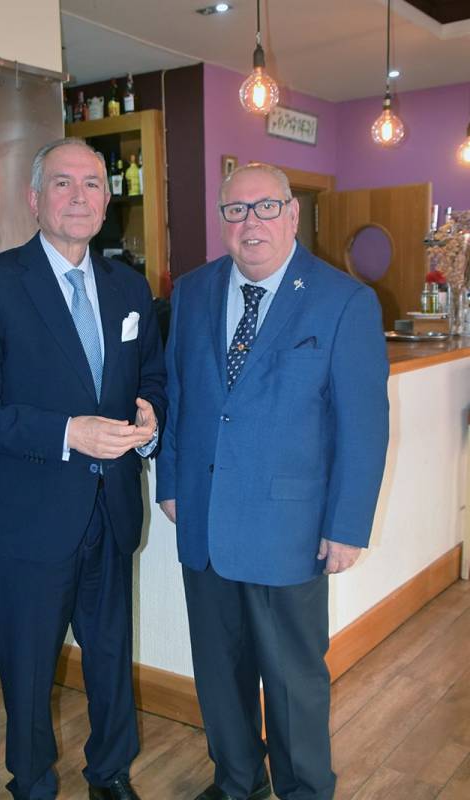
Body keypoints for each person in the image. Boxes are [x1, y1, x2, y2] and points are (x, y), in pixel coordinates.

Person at [156, 163, 389, 800]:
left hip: (290, 528)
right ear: (222, 220)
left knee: (292, 682)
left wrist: (346, 526)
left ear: (291, 214)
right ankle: (237, 782)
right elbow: (179, 394)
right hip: (204, 518)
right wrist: (170, 481)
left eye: (265, 207)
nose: (250, 222)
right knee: (218, 671)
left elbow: (363, 426)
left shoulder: (342, 301)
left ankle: (304, 790)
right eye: (235, 210)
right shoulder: (193, 292)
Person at [0, 137, 166, 800]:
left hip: (112, 509)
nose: (79, 196)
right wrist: (69, 433)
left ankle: (111, 772)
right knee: (28, 666)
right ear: (34, 199)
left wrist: (151, 416)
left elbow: (152, 376)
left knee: (110, 659)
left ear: (107, 200)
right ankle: (33, 782)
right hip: (29, 516)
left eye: (93, 184)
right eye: (63, 183)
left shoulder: (129, 287)